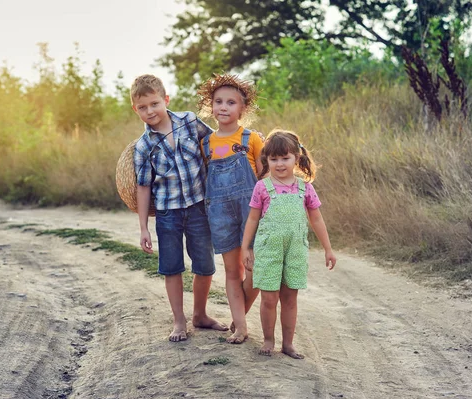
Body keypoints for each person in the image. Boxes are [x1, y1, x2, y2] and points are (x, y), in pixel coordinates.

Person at [132, 74, 228, 342]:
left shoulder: (188, 121)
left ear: (166, 100)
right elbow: (143, 187)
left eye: (154, 104)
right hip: (168, 213)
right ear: (135, 109)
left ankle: (200, 314)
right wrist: (143, 228)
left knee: (205, 264)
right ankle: (179, 321)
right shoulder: (143, 146)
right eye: (142, 107)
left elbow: (215, 145)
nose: (149, 111)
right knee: (171, 267)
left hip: (199, 207)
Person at [241, 129, 337, 359]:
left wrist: (328, 248)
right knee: (269, 298)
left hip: (295, 250)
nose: (280, 164)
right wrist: (246, 247)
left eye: (285, 158)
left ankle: (288, 344)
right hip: (268, 250)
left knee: (290, 298)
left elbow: (316, 218)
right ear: (267, 160)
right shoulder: (263, 187)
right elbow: (253, 218)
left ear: (297, 157)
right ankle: (268, 339)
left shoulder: (305, 188)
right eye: (274, 159)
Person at [196, 74, 264, 344]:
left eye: (231, 102)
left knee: (257, 271)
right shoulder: (206, 144)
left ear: (242, 109)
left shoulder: (252, 140)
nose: (223, 107)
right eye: (218, 102)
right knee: (233, 272)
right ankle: (242, 327)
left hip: (251, 212)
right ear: (210, 106)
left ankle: (238, 318)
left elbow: (263, 180)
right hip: (221, 214)